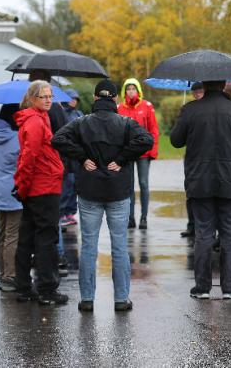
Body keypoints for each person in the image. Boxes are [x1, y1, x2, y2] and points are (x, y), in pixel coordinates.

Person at [52, 79, 153, 312]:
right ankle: (120, 299)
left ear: (96, 99)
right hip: (118, 192)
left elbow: (57, 139)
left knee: (88, 245)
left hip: (89, 192)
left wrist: (81, 157)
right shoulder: (126, 122)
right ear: (115, 99)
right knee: (119, 246)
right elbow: (147, 140)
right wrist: (121, 159)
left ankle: (87, 299)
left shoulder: (81, 123)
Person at [170, 81, 231, 300]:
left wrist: (184, 117)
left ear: (205, 85)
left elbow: (175, 140)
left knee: (203, 234)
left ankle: (202, 287)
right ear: (222, 85)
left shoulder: (191, 110)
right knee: (229, 234)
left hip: (200, 182)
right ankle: (229, 286)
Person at [13, 80, 67, 305]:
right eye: (43, 96)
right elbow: (29, 158)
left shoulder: (39, 118)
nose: (48, 100)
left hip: (40, 186)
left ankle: (24, 287)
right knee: (45, 239)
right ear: (32, 98)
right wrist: (23, 186)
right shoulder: (35, 121)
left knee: (28, 237)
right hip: (42, 187)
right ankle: (46, 289)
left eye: (50, 96)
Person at [0, 104, 22, 292]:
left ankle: (2, 273)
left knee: (2, 233)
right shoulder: (17, 138)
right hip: (14, 189)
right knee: (12, 235)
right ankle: (10, 275)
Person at [118, 78, 159, 230]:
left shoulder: (147, 106)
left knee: (143, 184)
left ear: (138, 90)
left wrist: (153, 151)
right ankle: (130, 218)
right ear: (124, 91)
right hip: (127, 153)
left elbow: (153, 129)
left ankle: (144, 218)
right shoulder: (119, 108)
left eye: (133, 89)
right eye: (128, 89)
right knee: (128, 186)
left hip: (144, 153)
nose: (131, 91)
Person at [180, 82, 204, 238]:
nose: (197, 94)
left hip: (203, 156)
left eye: (200, 91)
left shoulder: (208, 109)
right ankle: (192, 225)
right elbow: (178, 137)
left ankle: (201, 227)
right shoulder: (188, 109)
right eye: (194, 91)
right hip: (192, 155)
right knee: (191, 191)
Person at [59, 88, 85, 228]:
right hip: (66, 155)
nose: (74, 101)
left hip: (78, 155)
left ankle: (71, 212)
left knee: (75, 185)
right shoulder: (62, 114)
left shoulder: (79, 114)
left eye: (76, 99)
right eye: (71, 98)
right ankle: (62, 212)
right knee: (66, 185)